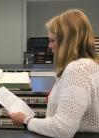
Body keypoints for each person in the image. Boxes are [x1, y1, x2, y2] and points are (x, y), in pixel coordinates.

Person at [9, 9, 99, 138]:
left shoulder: (77, 69)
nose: (49, 46)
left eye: (52, 40)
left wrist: (26, 120)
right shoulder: (92, 65)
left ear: (67, 42)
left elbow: (62, 129)